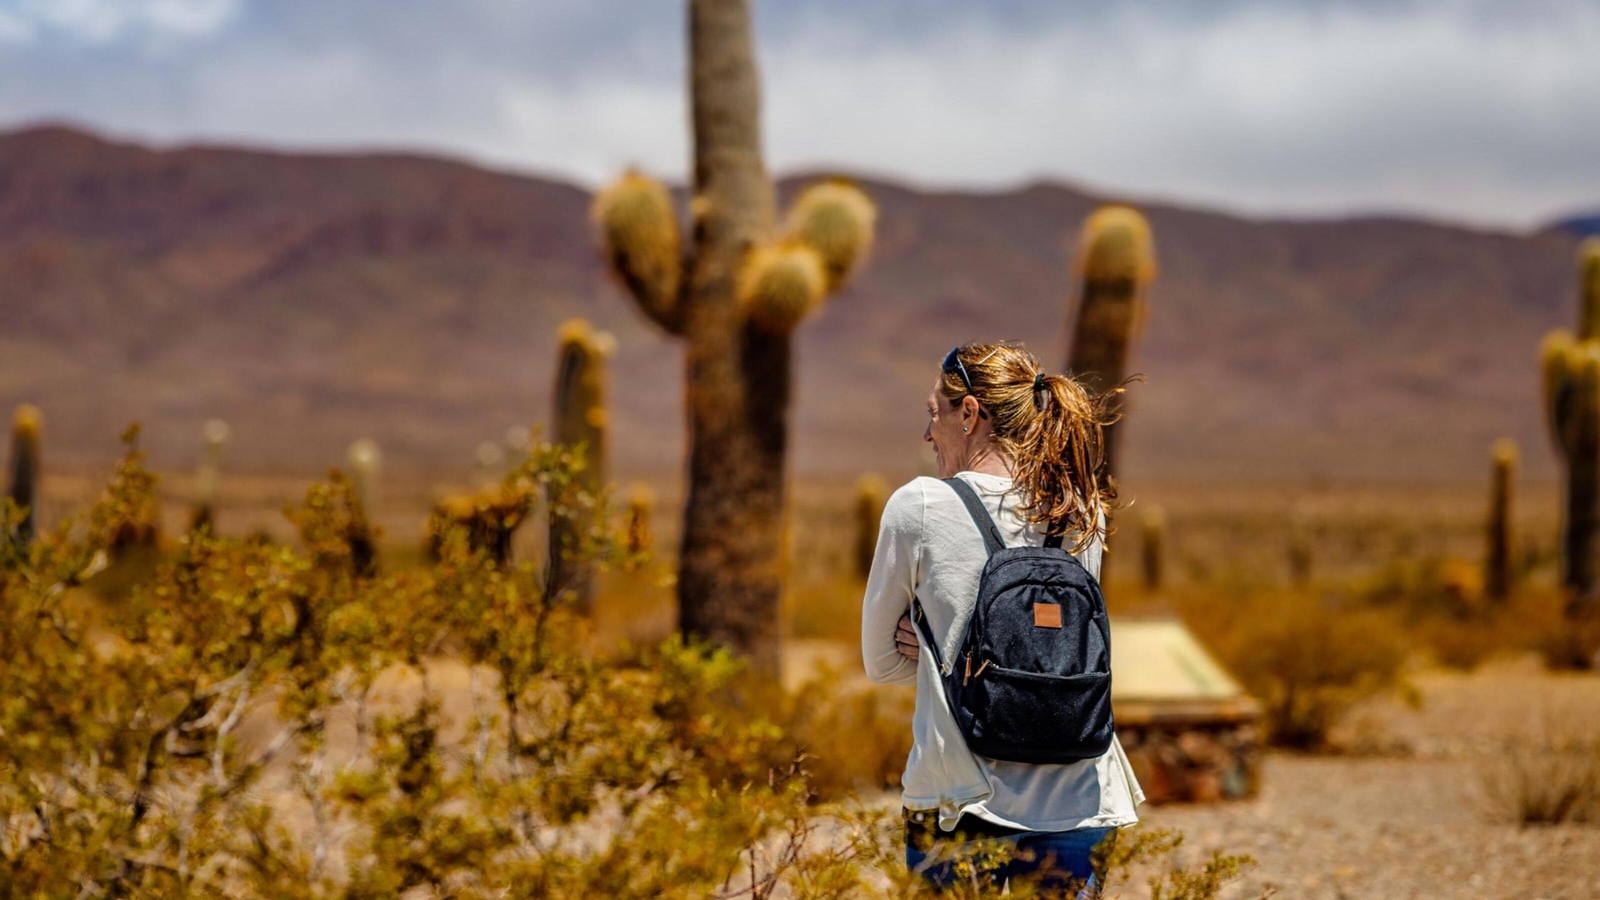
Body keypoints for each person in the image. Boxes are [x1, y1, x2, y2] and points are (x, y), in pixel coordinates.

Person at [861, 341, 1144, 897]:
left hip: (958, 798)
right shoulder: (1079, 509)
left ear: (969, 414)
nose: (927, 434)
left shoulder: (918, 506)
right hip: (1083, 797)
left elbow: (880, 663)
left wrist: (941, 650)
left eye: (933, 413)